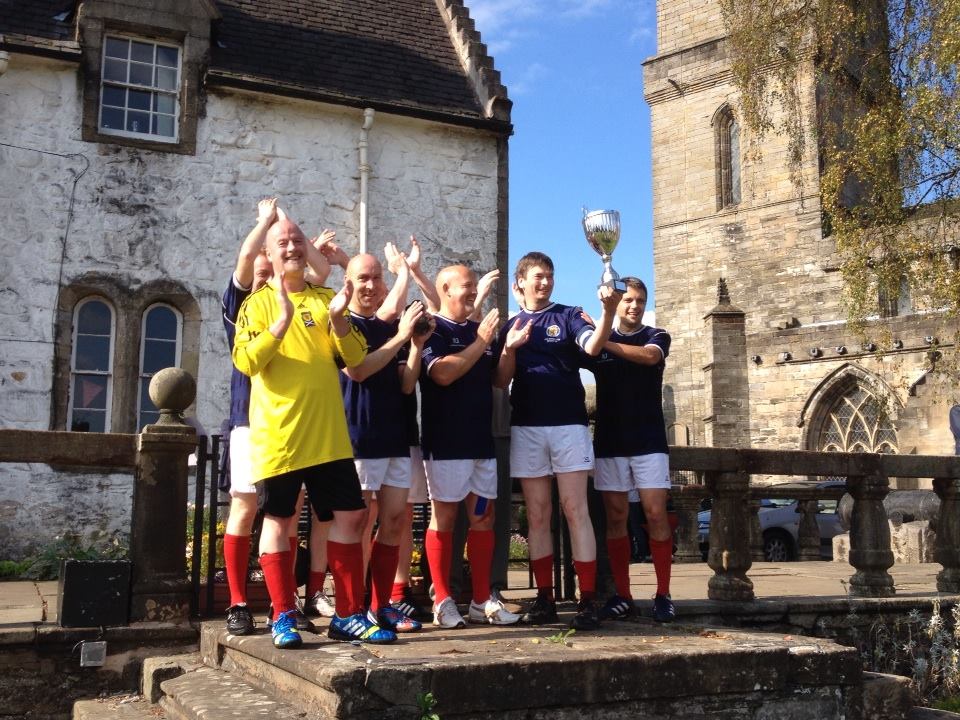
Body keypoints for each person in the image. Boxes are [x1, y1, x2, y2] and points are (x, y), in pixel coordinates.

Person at [233, 215, 396, 648]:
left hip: (328, 436)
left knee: (351, 516)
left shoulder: (327, 298)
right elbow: (246, 362)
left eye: (297, 240)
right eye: (282, 243)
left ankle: (347, 614)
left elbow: (356, 360)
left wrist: (341, 320)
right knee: (278, 521)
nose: (291, 247)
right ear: (268, 253)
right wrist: (280, 323)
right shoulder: (256, 303)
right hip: (280, 437)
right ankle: (283, 614)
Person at [221, 198, 332, 635]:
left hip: (293, 421)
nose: (266, 280)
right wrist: (267, 221)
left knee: (288, 514)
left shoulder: (297, 296)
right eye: (261, 276)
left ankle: (281, 605)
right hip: (250, 423)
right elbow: (247, 258)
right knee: (247, 508)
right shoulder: (242, 307)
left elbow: (321, 274)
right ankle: (236, 602)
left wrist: (299, 240)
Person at [494, 251, 620, 630]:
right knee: (536, 515)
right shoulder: (511, 324)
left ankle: (588, 599)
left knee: (574, 508)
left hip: (568, 426)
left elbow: (593, 347)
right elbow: (500, 380)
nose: (545, 281)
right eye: (537, 276)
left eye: (549, 275)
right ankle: (545, 598)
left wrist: (608, 312)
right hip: (528, 426)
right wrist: (509, 347)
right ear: (520, 283)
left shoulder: (568, 315)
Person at [417, 265, 521, 628]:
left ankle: (481, 601)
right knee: (444, 519)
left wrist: (506, 348)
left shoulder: (483, 333)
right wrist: (481, 341)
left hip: (480, 443)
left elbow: (500, 379)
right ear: (445, 289)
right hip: (446, 444)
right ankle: (442, 600)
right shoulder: (432, 328)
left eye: (476, 286)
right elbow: (442, 373)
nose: (474, 293)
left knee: (484, 518)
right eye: (468, 286)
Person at [340, 251, 430, 633]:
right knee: (360, 523)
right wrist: (401, 337)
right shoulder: (342, 324)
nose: (371, 285)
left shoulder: (387, 328)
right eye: (363, 278)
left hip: (394, 437)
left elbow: (407, 384)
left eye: (377, 277)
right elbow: (358, 370)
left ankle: (382, 605)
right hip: (359, 438)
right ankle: (355, 608)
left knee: (393, 520)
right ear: (349, 283)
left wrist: (417, 345)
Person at [585, 277, 675, 623]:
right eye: (627, 301)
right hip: (609, 442)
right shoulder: (597, 341)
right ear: (616, 304)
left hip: (649, 441)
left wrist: (602, 339)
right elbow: (578, 356)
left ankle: (664, 593)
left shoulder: (657, 335)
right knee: (616, 519)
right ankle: (623, 595)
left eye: (639, 300)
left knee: (655, 515)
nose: (634, 306)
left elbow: (650, 358)